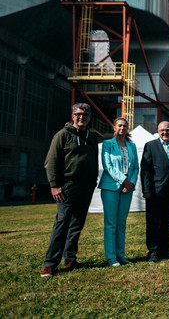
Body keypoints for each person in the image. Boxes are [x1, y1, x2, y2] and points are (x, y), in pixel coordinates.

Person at [41, 103, 99, 277]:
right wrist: (54, 185)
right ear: (73, 116)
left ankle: (70, 259)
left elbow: (94, 159)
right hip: (67, 185)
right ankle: (50, 264)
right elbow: (51, 161)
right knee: (62, 223)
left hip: (86, 185)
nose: (82, 117)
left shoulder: (92, 136)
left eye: (85, 114)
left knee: (76, 224)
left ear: (90, 117)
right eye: (78, 114)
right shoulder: (62, 135)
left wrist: (93, 180)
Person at [140, 121, 169, 263]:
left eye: (168, 130)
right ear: (158, 131)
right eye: (162, 130)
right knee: (153, 222)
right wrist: (146, 189)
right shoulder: (151, 146)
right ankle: (153, 251)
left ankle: (164, 250)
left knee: (166, 221)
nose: (165, 132)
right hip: (154, 191)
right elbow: (145, 170)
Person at [98, 117, 139, 267]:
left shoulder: (132, 146)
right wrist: (124, 180)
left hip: (127, 188)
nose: (122, 128)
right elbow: (108, 165)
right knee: (111, 223)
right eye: (119, 126)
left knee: (121, 223)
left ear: (128, 128)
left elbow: (135, 167)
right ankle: (110, 257)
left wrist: (131, 183)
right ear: (115, 128)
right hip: (110, 187)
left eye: (125, 126)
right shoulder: (107, 144)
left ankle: (121, 255)